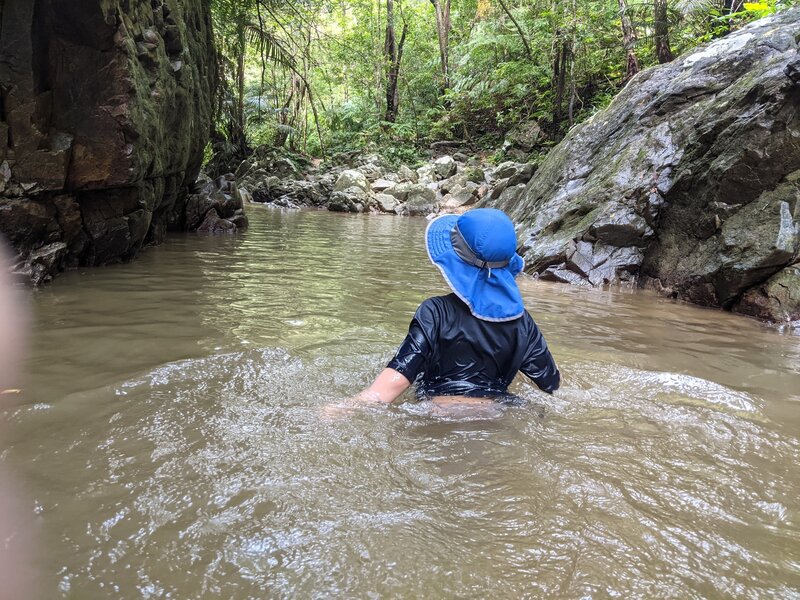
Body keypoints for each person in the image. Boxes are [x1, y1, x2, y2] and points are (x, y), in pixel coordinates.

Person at [328, 207, 560, 416]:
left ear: (454, 262)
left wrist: (348, 405)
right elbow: (551, 383)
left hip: (438, 412)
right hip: (496, 413)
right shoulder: (522, 322)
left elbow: (399, 377)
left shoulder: (435, 311)